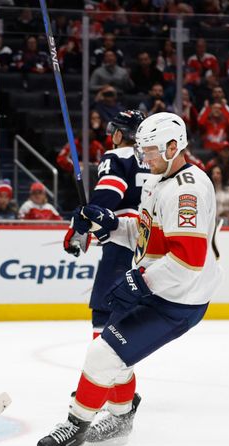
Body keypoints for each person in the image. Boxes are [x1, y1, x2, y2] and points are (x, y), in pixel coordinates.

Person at [37, 112, 222, 446]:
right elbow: (144, 232)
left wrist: (139, 282)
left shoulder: (189, 192)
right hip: (160, 290)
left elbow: (189, 260)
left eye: (151, 150)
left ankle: (76, 427)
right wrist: (107, 224)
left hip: (179, 301)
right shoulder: (157, 180)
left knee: (103, 353)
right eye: (142, 149)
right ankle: (120, 421)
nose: (144, 158)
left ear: (174, 146)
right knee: (109, 352)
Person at [64, 110, 147, 338]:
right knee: (135, 309)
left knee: (106, 308)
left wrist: (80, 225)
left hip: (123, 241)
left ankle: (100, 369)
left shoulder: (117, 157)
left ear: (120, 134)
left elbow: (105, 202)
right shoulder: (153, 159)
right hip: (152, 241)